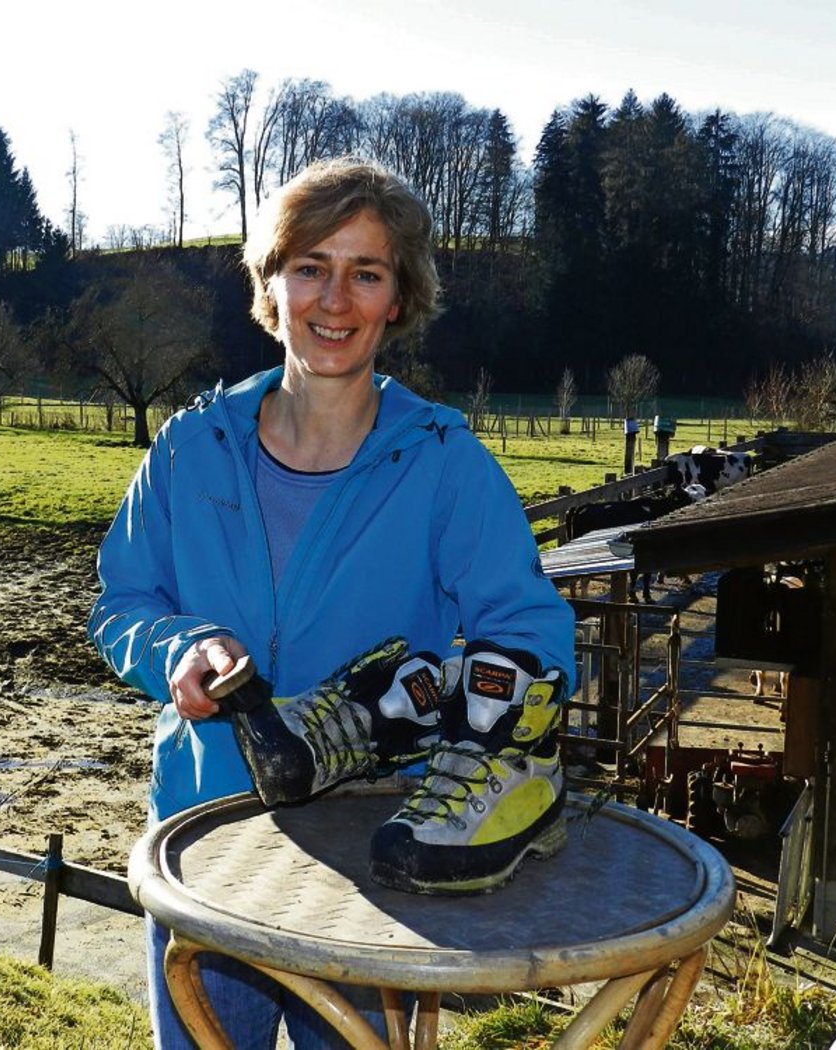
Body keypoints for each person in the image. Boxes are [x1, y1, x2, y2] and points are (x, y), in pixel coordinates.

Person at [89, 157, 576, 1048]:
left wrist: (492, 702)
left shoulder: (442, 462)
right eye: (311, 266)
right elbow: (123, 601)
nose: (336, 300)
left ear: (399, 297)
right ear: (272, 284)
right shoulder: (191, 448)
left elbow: (529, 628)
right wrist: (178, 648)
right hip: (209, 838)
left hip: (373, 858)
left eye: (367, 273)